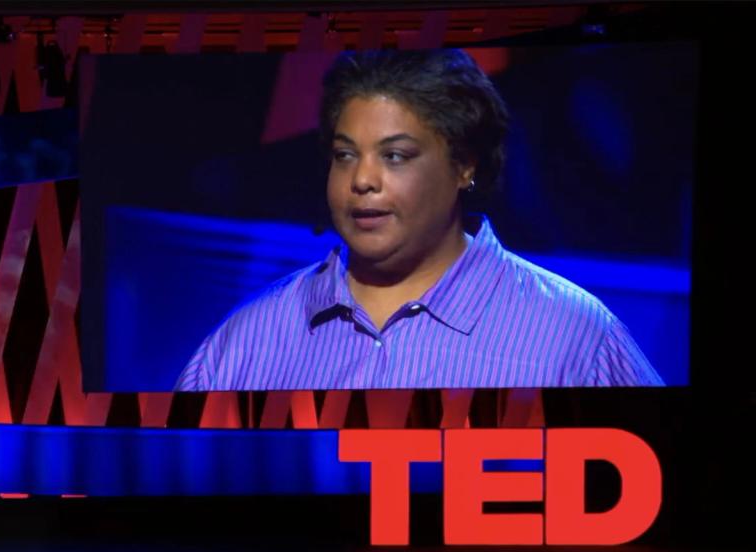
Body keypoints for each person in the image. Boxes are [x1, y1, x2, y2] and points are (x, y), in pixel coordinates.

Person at [176, 49, 663, 390]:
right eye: (345, 155)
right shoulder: (247, 339)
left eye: (395, 156)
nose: (362, 180)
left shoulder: (574, 334)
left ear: (464, 164)